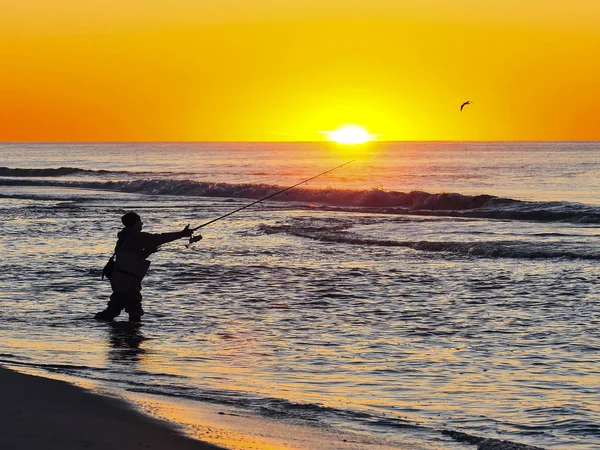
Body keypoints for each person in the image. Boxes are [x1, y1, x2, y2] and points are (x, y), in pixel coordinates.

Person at [94, 212, 193, 322]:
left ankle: (116, 330)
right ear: (135, 223)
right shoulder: (135, 237)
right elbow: (160, 238)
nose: (142, 223)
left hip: (120, 278)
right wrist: (182, 234)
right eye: (139, 221)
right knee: (133, 309)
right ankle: (132, 335)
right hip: (128, 280)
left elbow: (132, 256)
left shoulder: (124, 236)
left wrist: (148, 251)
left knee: (116, 307)